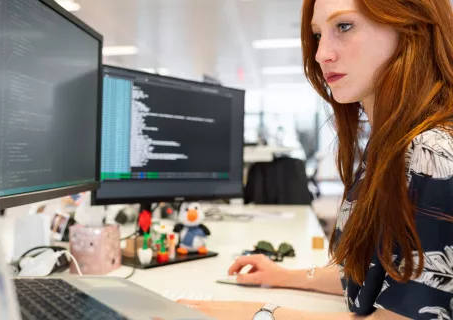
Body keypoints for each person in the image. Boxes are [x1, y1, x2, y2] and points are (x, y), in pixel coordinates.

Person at [177, 0, 453, 318]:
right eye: (318, 34)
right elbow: (369, 277)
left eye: (344, 26)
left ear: (411, 28)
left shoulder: (432, 152)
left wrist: (259, 313)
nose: (321, 54)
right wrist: (281, 276)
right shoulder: (389, 147)